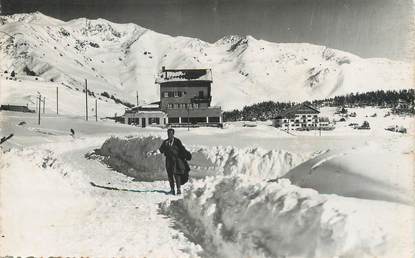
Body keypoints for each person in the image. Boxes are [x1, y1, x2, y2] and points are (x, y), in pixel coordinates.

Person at [159, 128, 191, 195]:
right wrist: (163, 147)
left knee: (177, 175)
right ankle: (172, 190)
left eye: (170, 133)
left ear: (173, 134)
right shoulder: (165, 142)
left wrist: (186, 155)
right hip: (168, 161)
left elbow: (182, 149)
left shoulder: (177, 141)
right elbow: (161, 150)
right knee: (170, 175)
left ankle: (178, 189)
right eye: (168, 133)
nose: (169, 135)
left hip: (176, 161)